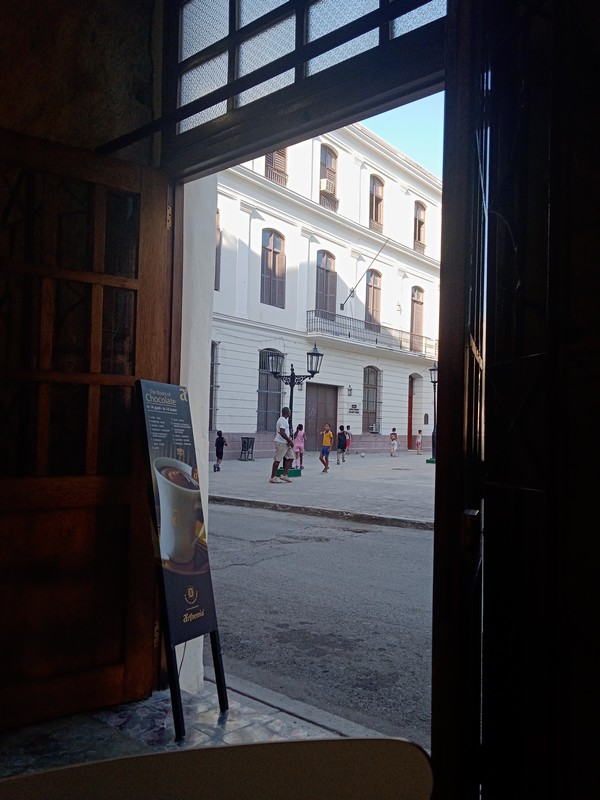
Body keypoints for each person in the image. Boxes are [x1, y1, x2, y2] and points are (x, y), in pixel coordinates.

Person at [270, 407, 294, 484]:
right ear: (287, 412)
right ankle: (272, 477)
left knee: (290, 458)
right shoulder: (282, 420)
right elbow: (282, 432)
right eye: (289, 411)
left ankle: (284, 475)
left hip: (286, 443)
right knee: (277, 459)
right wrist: (289, 440)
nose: (290, 413)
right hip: (281, 442)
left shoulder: (285, 420)